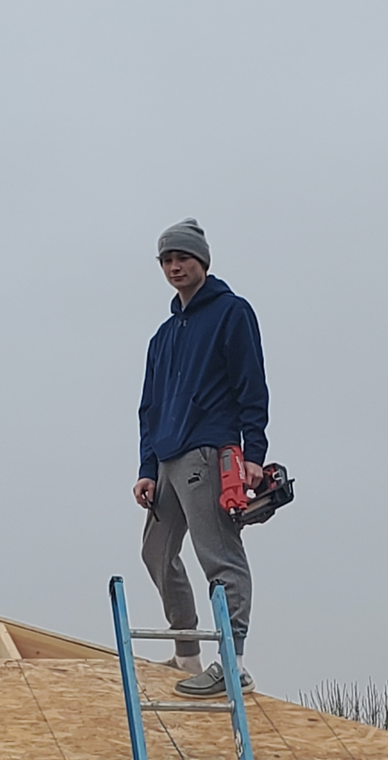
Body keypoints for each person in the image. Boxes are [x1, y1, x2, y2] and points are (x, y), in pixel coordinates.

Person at [134, 218, 269, 698]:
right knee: (156, 552)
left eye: (182, 258)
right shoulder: (163, 337)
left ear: (202, 262)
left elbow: (251, 385)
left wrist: (254, 452)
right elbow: (148, 407)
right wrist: (146, 469)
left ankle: (233, 665)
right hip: (167, 458)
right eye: (167, 260)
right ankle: (187, 650)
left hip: (207, 450)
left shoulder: (231, 313)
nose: (174, 266)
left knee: (220, 556)